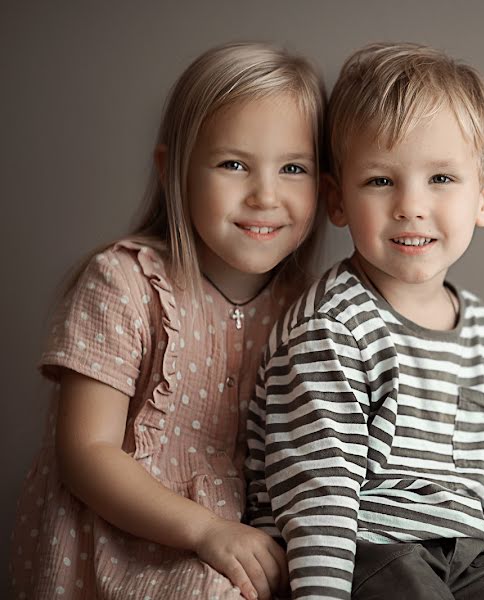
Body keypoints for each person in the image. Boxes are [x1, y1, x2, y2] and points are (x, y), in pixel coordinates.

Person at [245, 42, 484, 600]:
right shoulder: (333, 326)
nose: (410, 205)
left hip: (468, 553)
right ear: (337, 199)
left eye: (441, 178)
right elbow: (317, 498)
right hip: (363, 546)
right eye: (379, 181)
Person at [10, 42, 326, 600]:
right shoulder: (123, 283)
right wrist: (206, 529)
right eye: (234, 164)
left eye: (293, 168)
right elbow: (86, 453)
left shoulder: (311, 308)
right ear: (173, 170)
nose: (265, 195)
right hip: (123, 536)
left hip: (248, 538)